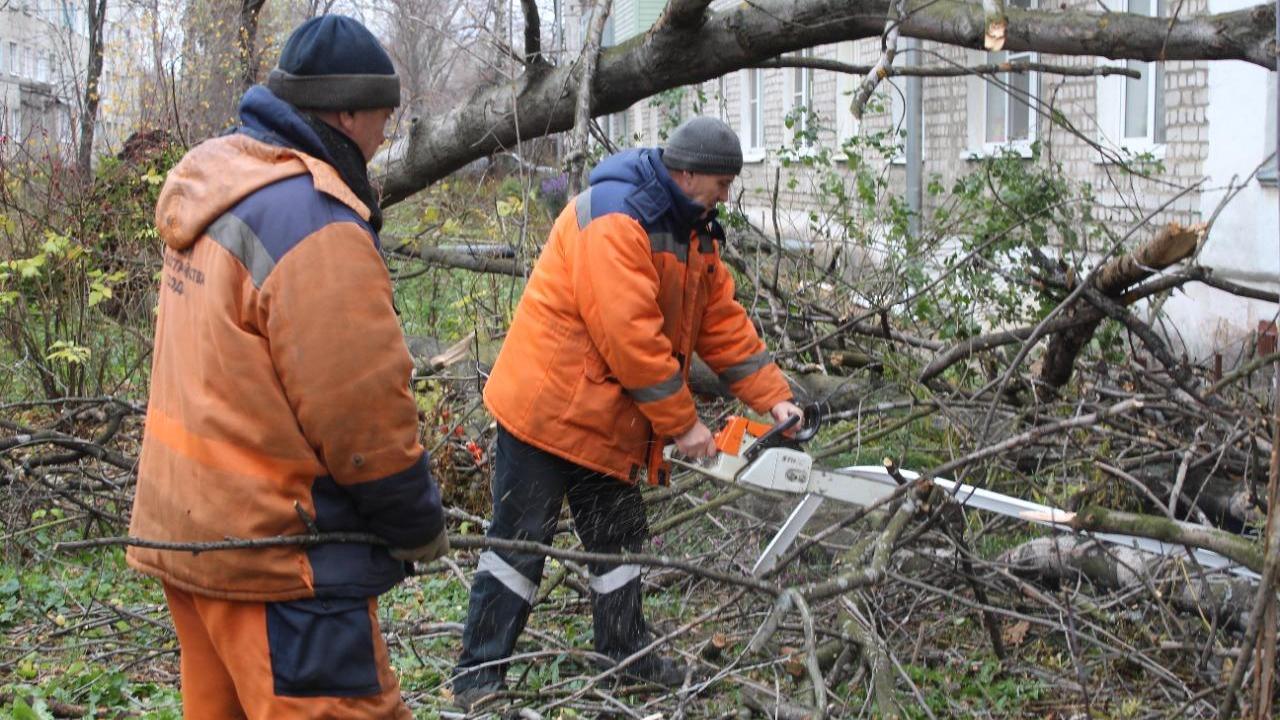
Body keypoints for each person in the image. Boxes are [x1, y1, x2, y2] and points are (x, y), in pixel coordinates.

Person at [126, 15, 447, 718]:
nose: (386, 135)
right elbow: (362, 417)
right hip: (278, 563)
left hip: (188, 535)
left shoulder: (220, 185)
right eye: (383, 117)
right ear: (347, 111)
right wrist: (418, 523)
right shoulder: (314, 222)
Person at [451, 116, 803, 710]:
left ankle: (623, 654)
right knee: (519, 545)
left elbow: (721, 323)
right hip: (545, 412)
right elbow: (630, 338)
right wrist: (684, 427)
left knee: (616, 543)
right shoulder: (616, 216)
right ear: (687, 172)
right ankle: (478, 679)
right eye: (721, 182)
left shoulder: (693, 230)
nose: (727, 194)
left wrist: (775, 397)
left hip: (606, 417)